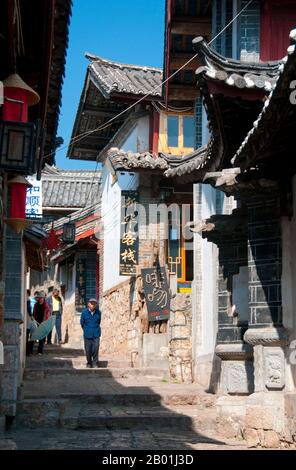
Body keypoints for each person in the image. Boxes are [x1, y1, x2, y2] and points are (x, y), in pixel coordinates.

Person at [80, 298, 101, 368]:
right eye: (92, 303)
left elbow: (99, 322)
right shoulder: (84, 312)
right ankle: (89, 362)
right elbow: (82, 323)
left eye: (94, 303)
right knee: (88, 349)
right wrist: (86, 329)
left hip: (96, 333)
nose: (93, 305)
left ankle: (95, 363)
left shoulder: (98, 312)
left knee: (96, 347)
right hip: (87, 333)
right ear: (88, 304)